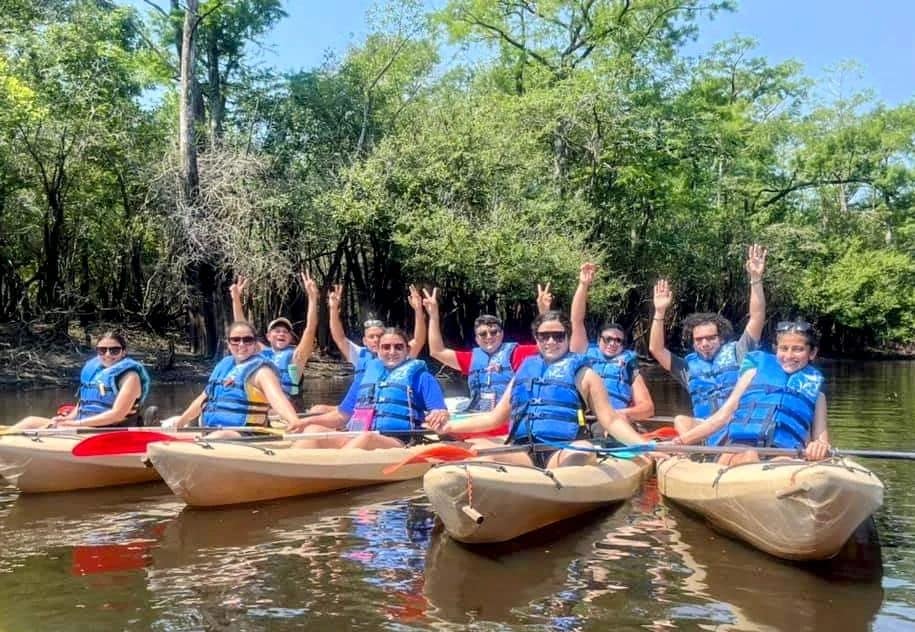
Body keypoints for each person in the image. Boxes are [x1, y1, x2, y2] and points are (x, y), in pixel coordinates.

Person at [426, 311, 646, 468]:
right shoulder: (523, 371)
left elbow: (610, 420)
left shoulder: (585, 374)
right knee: (479, 452)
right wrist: (448, 426)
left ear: (568, 338)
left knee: (581, 449)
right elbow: (495, 419)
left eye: (558, 336)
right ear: (537, 338)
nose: (551, 341)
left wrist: (646, 446)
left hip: (562, 450)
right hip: (523, 451)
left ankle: (558, 490)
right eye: (544, 336)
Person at [669, 319, 830, 464]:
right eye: (784, 348)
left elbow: (822, 441)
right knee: (749, 456)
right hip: (739, 448)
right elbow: (722, 416)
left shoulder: (818, 396)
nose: (789, 355)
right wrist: (680, 442)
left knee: (783, 461)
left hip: (783, 453)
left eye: (798, 349)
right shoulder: (752, 373)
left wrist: (819, 447)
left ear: (812, 353)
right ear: (776, 350)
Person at [649, 244, 767, 438]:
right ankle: (694, 456)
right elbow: (656, 348)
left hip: (737, 423)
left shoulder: (740, 352)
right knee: (680, 420)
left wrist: (755, 279)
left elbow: (757, 316)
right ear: (693, 342)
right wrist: (660, 312)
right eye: (699, 339)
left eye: (710, 338)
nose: (704, 343)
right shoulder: (687, 367)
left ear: (721, 338)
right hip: (704, 429)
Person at [289, 328, 449, 450]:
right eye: (386, 347)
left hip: (400, 441)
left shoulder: (422, 377)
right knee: (314, 430)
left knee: (367, 438)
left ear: (407, 350)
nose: (392, 352)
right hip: (359, 436)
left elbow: (439, 411)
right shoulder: (365, 376)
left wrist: (439, 414)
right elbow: (341, 416)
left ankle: (331, 469)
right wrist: (305, 421)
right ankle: (288, 464)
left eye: (398, 347)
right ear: (378, 351)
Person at [422, 283, 552, 420]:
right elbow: (437, 351)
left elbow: (547, 346)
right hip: (480, 418)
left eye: (494, 332)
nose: (489, 337)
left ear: (502, 334)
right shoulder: (471, 359)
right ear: (477, 339)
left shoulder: (517, 353)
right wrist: (433, 316)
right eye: (483, 334)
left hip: (510, 419)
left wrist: (544, 312)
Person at [160, 321, 300, 433]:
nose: (241, 344)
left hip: (245, 434)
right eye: (235, 340)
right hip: (213, 430)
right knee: (213, 433)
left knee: (222, 435)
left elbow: (277, 398)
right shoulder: (224, 366)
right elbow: (204, 398)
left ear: (255, 343)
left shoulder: (262, 372)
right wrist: (181, 422)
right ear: (228, 343)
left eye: (247, 340)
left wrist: (293, 420)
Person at [570, 262, 655, 432]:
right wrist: (583, 285)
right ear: (598, 339)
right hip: (582, 419)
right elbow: (577, 321)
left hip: (614, 420)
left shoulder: (629, 366)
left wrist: (622, 414)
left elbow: (648, 408)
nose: (613, 344)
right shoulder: (583, 353)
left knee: (607, 429)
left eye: (618, 341)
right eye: (608, 339)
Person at [11, 332, 151, 429]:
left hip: (110, 430)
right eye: (102, 350)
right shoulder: (96, 372)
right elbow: (84, 403)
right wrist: (68, 419)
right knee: (29, 422)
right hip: (85, 425)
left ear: (124, 352)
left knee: (54, 429)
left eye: (114, 350)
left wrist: (75, 425)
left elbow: (118, 414)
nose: (108, 354)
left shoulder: (130, 377)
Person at [229, 272, 319, 404]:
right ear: (268, 336)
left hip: (281, 406)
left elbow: (310, 329)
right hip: (257, 404)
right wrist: (236, 299)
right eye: (277, 331)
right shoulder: (260, 351)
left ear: (290, 338)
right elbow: (242, 326)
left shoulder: (296, 357)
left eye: (285, 332)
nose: (281, 334)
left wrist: (312, 298)